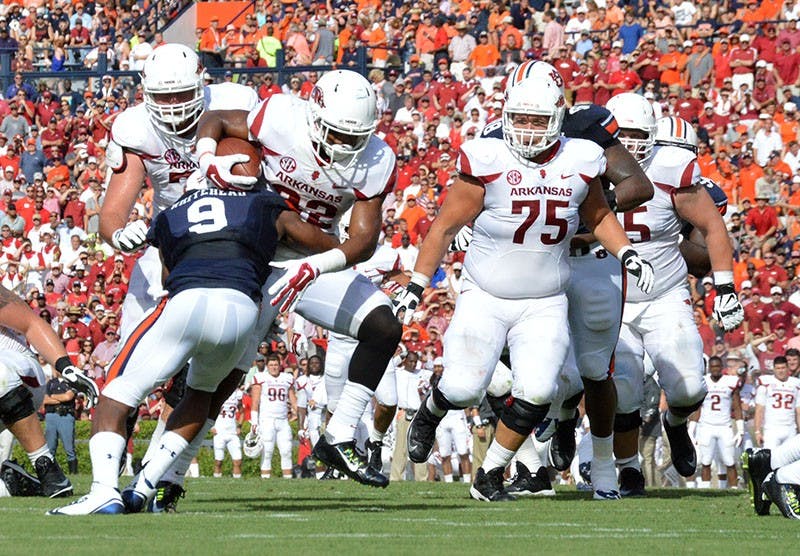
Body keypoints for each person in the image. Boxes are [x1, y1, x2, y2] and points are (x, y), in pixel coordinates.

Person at [394, 71, 655, 501]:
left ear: (558, 117)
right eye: (520, 118)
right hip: (486, 294)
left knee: (538, 389)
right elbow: (442, 227)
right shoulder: (488, 155)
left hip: (545, 297)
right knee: (463, 387)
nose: (528, 129)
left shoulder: (581, 156)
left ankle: (491, 473)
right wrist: (418, 284)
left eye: (537, 120)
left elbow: (600, 216)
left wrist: (627, 252)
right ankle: (434, 409)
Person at [50, 181, 345, 515]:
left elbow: (165, 278)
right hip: (244, 311)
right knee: (201, 395)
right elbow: (324, 245)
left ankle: (104, 490)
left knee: (117, 392)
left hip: (190, 301)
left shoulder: (172, 213)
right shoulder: (262, 204)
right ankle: (146, 484)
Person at [195, 69, 402, 487]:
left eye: (353, 136)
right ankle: (172, 469)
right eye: (336, 133)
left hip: (310, 260)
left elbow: (362, 242)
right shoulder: (279, 116)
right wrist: (206, 159)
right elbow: (213, 119)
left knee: (384, 326)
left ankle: (339, 436)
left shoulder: (375, 160)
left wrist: (313, 266)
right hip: (254, 256)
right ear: (314, 116)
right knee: (225, 374)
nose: (344, 145)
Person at [95, 43, 259, 511]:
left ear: (202, 83)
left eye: (179, 95)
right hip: (165, 248)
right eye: (161, 98)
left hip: (229, 251)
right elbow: (112, 212)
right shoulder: (135, 127)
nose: (170, 107)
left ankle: (163, 476)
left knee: (206, 377)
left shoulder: (236, 106)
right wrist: (119, 234)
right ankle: (114, 475)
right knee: (127, 375)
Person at [604, 104, 744, 495]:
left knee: (687, 388)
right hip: (611, 297)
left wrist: (724, 287)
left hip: (664, 293)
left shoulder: (673, 168)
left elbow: (710, 232)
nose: (630, 145)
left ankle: (677, 423)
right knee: (626, 390)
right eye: (623, 136)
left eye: (639, 136)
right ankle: (627, 467)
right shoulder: (590, 160)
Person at [0, 283, 98, 499]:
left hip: (18, 373)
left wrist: (66, 367)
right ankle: (16, 484)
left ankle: (46, 466)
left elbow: (31, 324)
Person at [694, 356, 744, 489]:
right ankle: (705, 489)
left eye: (718, 366)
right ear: (709, 368)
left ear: (722, 367)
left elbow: (737, 406)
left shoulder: (730, 381)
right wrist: (691, 429)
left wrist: (740, 430)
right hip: (706, 426)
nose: (715, 369)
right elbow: (697, 407)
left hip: (724, 426)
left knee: (730, 461)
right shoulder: (703, 382)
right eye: (713, 367)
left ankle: (733, 490)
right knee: (706, 461)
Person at [250, 354, 297, 479]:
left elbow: (293, 400)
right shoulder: (260, 377)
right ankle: (265, 480)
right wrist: (254, 422)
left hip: (283, 420)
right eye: (271, 365)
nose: (274, 367)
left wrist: (301, 419)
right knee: (267, 451)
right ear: (267, 366)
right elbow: (255, 402)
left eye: (276, 364)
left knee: (286, 450)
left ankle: (288, 480)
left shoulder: (287, 378)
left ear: (280, 365)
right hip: (266, 420)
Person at [754, 356, 800, 451]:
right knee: (770, 461)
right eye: (778, 368)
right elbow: (759, 409)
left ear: (787, 368)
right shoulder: (766, 382)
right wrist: (757, 431)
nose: (781, 371)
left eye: (783, 368)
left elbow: (798, 411)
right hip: (772, 429)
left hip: (790, 429)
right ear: (773, 369)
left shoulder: (796, 383)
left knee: (789, 463)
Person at [211, 387, 243, 479]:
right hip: (219, 432)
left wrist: (239, 426)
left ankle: (237, 481)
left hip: (232, 432)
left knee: (238, 460)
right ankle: (216, 479)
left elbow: (242, 412)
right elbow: (209, 410)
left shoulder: (238, 394)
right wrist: (212, 426)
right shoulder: (218, 391)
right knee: (218, 461)